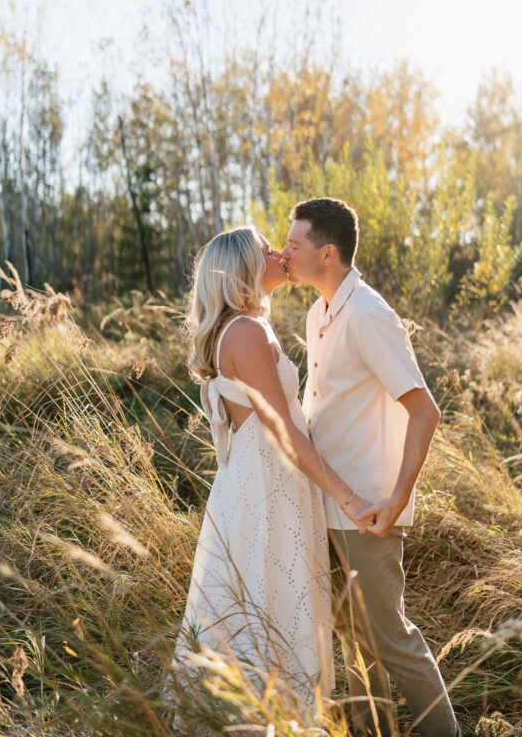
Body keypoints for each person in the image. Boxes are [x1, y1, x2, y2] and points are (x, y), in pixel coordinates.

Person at [170, 226, 373, 714]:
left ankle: (259, 713)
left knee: (265, 595)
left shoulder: (239, 328)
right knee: (272, 594)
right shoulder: (247, 332)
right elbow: (285, 433)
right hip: (268, 481)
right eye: (266, 250)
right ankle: (271, 715)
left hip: (260, 477)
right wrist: (350, 498)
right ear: (242, 266)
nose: (279, 253)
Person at [281, 197, 461, 737]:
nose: (283, 252)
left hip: (369, 510)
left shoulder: (369, 314)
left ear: (327, 253)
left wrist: (398, 498)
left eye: (294, 244)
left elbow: (424, 410)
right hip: (329, 502)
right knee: (352, 639)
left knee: (391, 639)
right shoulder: (319, 313)